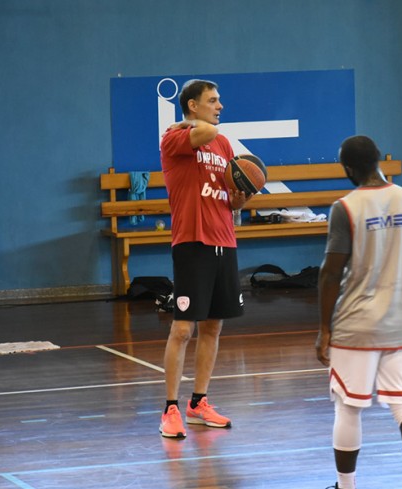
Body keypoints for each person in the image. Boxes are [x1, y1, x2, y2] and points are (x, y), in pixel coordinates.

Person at [316, 135, 402, 489]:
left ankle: (346, 486)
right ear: (379, 160)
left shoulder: (346, 207)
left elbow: (330, 273)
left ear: (348, 169)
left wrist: (324, 329)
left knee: (347, 407)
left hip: (356, 327)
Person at [157, 80, 249, 438]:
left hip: (224, 240)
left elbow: (232, 198)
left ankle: (198, 403)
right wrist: (191, 123)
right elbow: (207, 131)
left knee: (213, 327)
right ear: (192, 105)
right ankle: (170, 409)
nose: (220, 105)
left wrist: (242, 196)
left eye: (219, 100)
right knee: (183, 329)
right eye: (213, 100)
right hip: (192, 241)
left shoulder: (223, 145)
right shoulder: (174, 138)